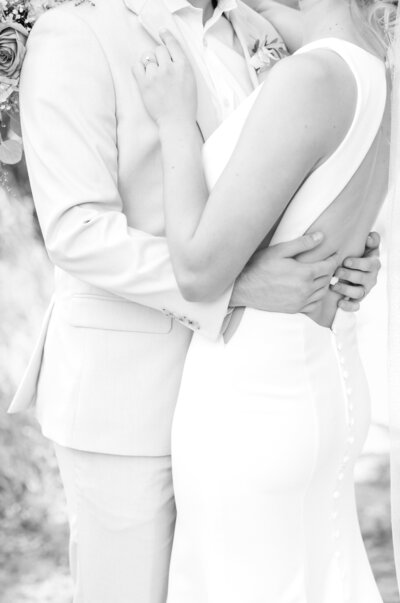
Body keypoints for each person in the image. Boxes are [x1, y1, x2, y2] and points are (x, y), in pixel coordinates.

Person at [8, 0, 381, 601]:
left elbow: (269, 187)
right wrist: (238, 285)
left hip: (237, 399)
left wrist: (342, 253)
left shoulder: (255, 30)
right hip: (127, 398)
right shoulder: (78, 33)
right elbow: (76, 230)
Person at [133, 0, 394, 600]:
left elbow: (199, 271)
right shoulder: (378, 65)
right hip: (326, 381)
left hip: (251, 403)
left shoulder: (308, 78)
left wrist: (175, 121)